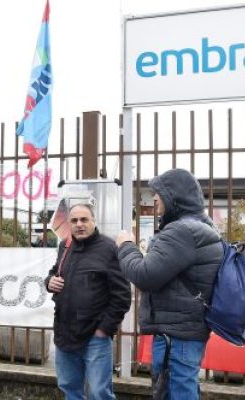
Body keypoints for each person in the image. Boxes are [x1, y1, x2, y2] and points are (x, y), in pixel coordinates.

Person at [116, 168, 222, 400]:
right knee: (181, 390)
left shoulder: (182, 231)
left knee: (175, 392)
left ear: (175, 196)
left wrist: (126, 246)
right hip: (184, 331)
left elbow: (145, 275)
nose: (154, 198)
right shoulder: (200, 227)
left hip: (176, 335)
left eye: (159, 193)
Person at [45, 203, 131, 400]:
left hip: (95, 336)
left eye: (84, 219)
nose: (79, 224)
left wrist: (104, 329)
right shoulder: (65, 246)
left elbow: (122, 295)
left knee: (99, 393)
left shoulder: (109, 249)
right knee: (69, 387)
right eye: (74, 220)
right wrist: (49, 282)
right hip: (64, 332)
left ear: (94, 221)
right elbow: (54, 272)